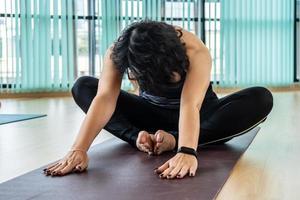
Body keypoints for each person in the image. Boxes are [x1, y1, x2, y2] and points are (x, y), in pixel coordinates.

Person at [43, 20, 273, 179]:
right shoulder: (120, 52)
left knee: (260, 98)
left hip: (200, 116)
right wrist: (78, 149)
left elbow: (190, 103)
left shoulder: (194, 49)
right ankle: (138, 138)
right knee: (83, 86)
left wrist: (185, 150)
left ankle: (172, 139)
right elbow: (104, 97)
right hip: (149, 114)